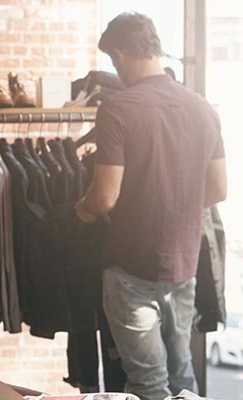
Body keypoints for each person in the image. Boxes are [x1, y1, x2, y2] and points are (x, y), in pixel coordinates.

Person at [75, 13, 227, 400]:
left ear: (122, 54)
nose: (115, 69)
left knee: (148, 385)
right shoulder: (202, 108)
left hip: (132, 268)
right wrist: (175, 201)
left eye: (113, 61)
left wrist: (83, 210)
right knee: (182, 378)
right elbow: (218, 189)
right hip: (183, 265)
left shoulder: (118, 108)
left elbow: (105, 196)